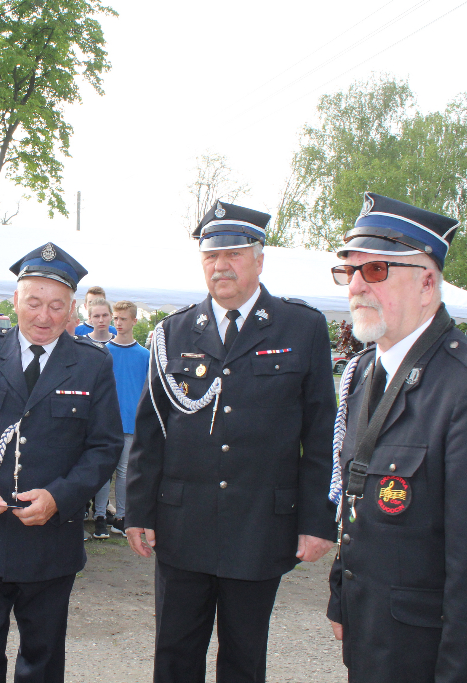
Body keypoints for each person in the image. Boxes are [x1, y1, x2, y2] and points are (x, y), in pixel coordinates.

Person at [327, 192, 467, 681]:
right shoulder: (365, 373)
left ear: (427, 281)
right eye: (349, 272)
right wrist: (343, 597)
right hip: (376, 645)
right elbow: (355, 501)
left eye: (376, 271)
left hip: (437, 657)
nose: (357, 287)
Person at [125, 200, 337, 683]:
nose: (221, 265)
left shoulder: (300, 327)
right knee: (175, 652)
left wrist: (318, 520)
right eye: (210, 257)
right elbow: (151, 431)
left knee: (244, 657)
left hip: (260, 525)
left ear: (259, 259)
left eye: (234, 254)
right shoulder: (171, 332)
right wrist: (138, 510)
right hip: (183, 524)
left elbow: (322, 434)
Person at [0, 242, 123, 683]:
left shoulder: (92, 364)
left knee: (43, 658)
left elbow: (104, 447)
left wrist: (60, 497)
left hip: (50, 541)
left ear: (72, 309)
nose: (43, 315)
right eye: (33, 302)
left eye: (56, 306)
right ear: (14, 300)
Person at [90, 300, 148, 539]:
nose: (118, 323)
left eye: (124, 319)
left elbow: (147, 389)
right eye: (117, 319)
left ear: (134, 321)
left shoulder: (144, 354)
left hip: (130, 422)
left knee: (125, 472)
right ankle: (100, 516)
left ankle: (122, 517)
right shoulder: (104, 352)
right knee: (105, 471)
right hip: (106, 420)